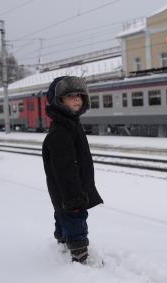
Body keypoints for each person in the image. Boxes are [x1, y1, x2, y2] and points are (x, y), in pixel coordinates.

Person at [42, 76, 103, 263]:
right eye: (70, 96)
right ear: (59, 101)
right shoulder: (61, 131)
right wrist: (75, 198)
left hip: (66, 192)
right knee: (75, 219)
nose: (77, 99)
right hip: (70, 192)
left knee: (62, 215)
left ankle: (61, 244)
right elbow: (65, 170)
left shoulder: (70, 123)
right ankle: (80, 256)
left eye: (79, 95)